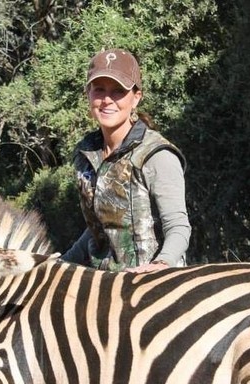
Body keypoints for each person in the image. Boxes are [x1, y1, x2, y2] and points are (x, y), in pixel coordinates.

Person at [61, 48, 191, 273]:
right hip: (105, 287)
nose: (107, 100)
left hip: (156, 286)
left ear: (136, 98)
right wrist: (59, 265)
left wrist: (161, 264)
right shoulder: (86, 155)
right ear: (88, 94)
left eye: (118, 91)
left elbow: (178, 227)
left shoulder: (157, 155)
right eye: (99, 90)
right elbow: (98, 231)